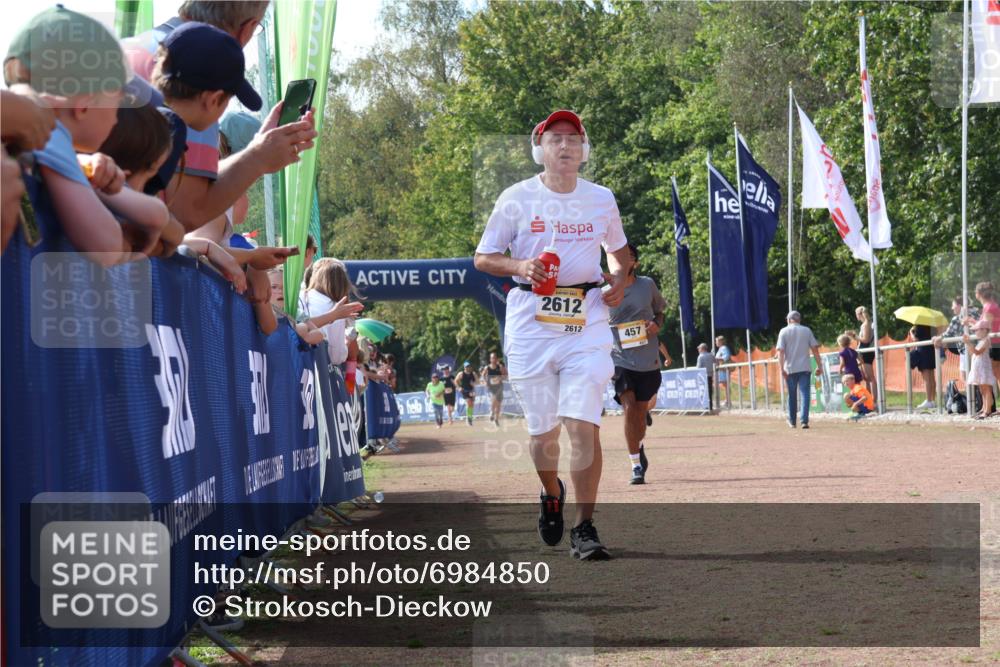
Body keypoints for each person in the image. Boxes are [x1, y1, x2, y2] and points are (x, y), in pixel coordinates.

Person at [474, 109, 629, 561]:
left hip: (588, 318)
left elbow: (618, 252)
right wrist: (520, 266)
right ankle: (551, 491)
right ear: (539, 148)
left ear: (584, 149)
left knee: (584, 424)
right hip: (530, 322)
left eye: (574, 138)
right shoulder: (515, 198)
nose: (565, 146)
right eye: (555, 138)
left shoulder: (601, 198)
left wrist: (618, 278)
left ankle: (585, 528)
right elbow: (484, 257)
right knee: (544, 436)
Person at [123, 1, 317, 231]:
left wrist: (258, 148)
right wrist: (258, 158)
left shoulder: (132, 48)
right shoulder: (198, 79)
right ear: (248, 29)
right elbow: (186, 210)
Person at [5, 6, 170, 264]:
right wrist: (128, 245)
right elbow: (104, 244)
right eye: (119, 100)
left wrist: (84, 172)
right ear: (83, 105)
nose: (118, 117)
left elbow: (154, 213)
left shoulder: (38, 140)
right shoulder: (51, 135)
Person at [607, 242, 666, 485]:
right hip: (620, 359)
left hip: (647, 359)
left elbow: (660, 312)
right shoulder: (604, 291)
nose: (622, 259)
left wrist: (656, 324)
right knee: (629, 406)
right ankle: (635, 465)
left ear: (635, 263)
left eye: (628, 256)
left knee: (639, 416)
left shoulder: (647, 285)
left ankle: (638, 445)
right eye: (618, 256)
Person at [297, 258, 365, 367]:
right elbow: (336, 356)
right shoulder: (336, 309)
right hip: (315, 371)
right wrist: (347, 340)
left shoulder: (298, 297)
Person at [776, 311, 823, 429]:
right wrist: (819, 365)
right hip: (805, 367)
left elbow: (780, 352)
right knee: (805, 394)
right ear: (799, 319)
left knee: (792, 395)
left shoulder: (783, 331)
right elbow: (815, 349)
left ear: (789, 319)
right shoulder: (807, 330)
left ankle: (792, 421)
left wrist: (781, 368)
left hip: (790, 368)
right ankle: (804, 421)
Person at [933, 296, 980, 388]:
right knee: (978, 378)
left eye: (953, 305)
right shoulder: (977, 314)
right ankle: (980, 400)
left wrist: (938, 338)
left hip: (966, 349)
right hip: (980, 349)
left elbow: (948, 333)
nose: (952, 308)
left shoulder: (958, 318)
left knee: (965, 376)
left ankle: (973, 400)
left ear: (959, 305)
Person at [964, 320, 996, 419]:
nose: (975, 332)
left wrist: (968, 343)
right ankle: (984, 408)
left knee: (986, 389)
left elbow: (977, 352)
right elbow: (973, 353)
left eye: (977, 330)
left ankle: (988, 410)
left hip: (984, 368)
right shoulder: (980, 341)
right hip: (979, 368)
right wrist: (969, 344)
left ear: (984, 330)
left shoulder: (986, 340)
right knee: (982, 389)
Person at [969, 281, 1000, 381]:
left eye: (975, 292)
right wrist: (972, 322)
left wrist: (972, 323)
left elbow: (986, 329)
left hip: (994, 343)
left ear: (979, 294)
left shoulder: (989, 307)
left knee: (996, 373)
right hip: (994, 343)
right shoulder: (990, 306)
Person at [908, 324, 937, 410]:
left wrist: (911, 332)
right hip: (930, 351)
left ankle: (928, 400)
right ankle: (932, 400)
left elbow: (915, 339)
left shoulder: (919, 326)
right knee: (932, 378)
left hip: (923, 352)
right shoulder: (931, 326)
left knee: (927, 379)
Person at [854, 306, 878, 402]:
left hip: (866, 352)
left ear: (859, 315)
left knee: (870, 377)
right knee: (866, 378)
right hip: (863, 352)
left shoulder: (866, 324)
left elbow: (866, 340)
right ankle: (869, 399)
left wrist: (854, 336)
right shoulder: (865, 324)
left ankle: (874, 400)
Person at [482, 352, 508, 426]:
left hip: (499, 386)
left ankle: (496, 419)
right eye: (492, 358)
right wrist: (485, 382)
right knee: (494, 399)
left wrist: (501, 377)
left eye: (494, 358)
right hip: (491, 387)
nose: (493, 359)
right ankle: (492, 412)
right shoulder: (487, 367)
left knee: (499, 404)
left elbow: (505, 375)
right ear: (490, 359)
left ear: (496, 359)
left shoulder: (500, 367)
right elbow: (483, 375)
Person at [455, 361, 478, 426]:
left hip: (472, 390)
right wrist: (459, 387)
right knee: (469, 403)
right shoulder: (461, 374)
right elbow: (456, 381)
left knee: (471, 405)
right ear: (464, 367)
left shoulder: (473, 374)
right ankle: (469, 419)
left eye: (469, 366)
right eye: (466, 367)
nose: (468, 368)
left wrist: (474, 383)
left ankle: (469, 417)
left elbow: (477, 381)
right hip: (464, 390)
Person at [714, 336, 732, 408]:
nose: (716, 343)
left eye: (717, 341)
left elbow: (727, 356)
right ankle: (726, 400)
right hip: (721, 370)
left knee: (726, 385)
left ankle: (728, 401)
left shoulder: (724, 348)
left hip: (724, 369)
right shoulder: (720, 349)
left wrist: (718, 359)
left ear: (721, 341)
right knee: (724, 385)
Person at [696, 343, 715, 408]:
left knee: (703, 391)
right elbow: (715, 362)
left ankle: (705, 406)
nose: (698, 349)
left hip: (703, 377)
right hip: (710, 375)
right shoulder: (711, 355)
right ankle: (710, 406)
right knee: (710, 390)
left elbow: (698, 367)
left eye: (699, 348)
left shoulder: (700, 356)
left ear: (702, 349)